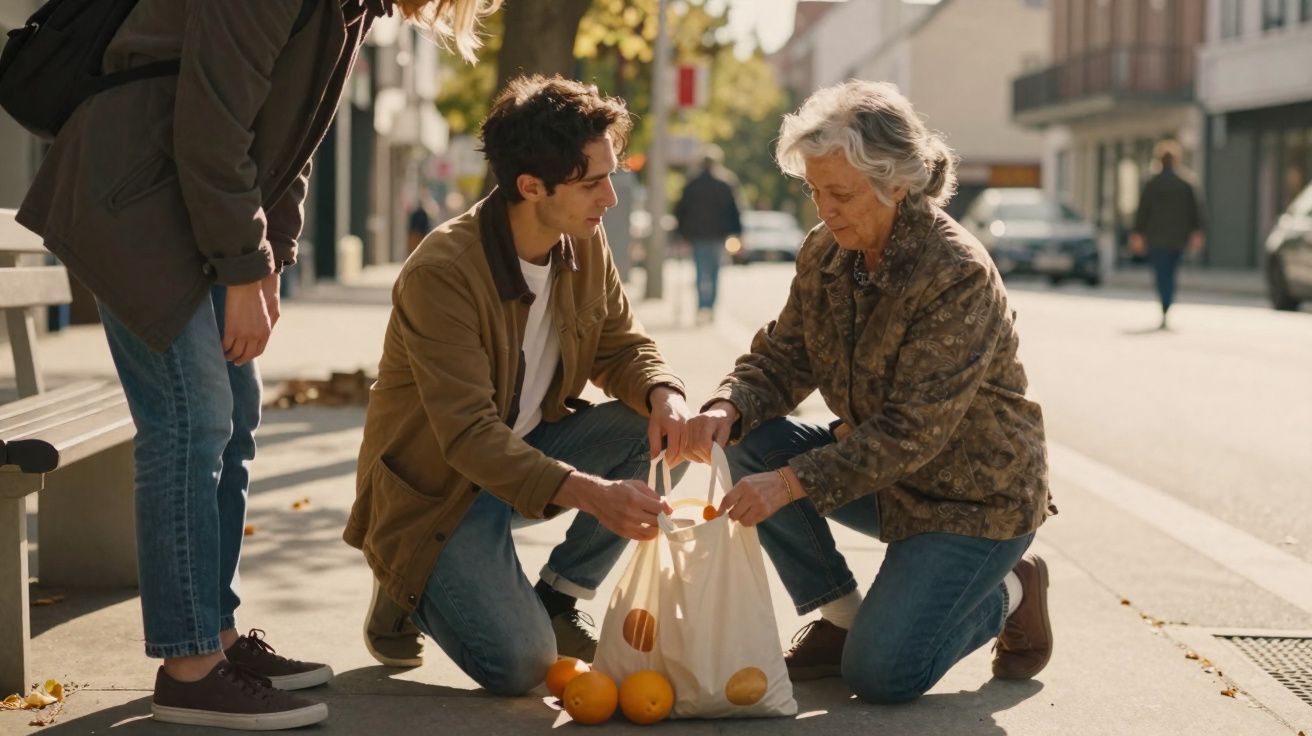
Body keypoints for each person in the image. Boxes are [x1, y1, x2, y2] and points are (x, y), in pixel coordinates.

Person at [14, 0, 497, 729]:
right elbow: (213, 122)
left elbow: (290, 141)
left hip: (185, 195)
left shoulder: (351, 6)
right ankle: (189, 665)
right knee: (191, 418)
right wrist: (244, 268)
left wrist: (271, 264)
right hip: (132, 191)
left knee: (234, 415)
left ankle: (218, 636)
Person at [683, 80, 1056, 704]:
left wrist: (789, 484)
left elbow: (911, 430)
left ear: (897, 184)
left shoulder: (955, 271)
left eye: (841, 193)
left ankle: (1012, 587)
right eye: (814, 191)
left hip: (975, 500)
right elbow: (786, 355)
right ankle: (841, 619)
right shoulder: (827, 250)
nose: (824, 210)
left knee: (882, 676)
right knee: (749, 445)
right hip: (885, 479)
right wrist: (727, 405)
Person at [345, 75, 692, 696]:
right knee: (525, 667)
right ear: (532, 187)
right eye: (593, 183)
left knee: (663, 436)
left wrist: (665, 393)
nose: (610, 198)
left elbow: (620, 345)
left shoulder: (582, 238)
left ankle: (558, 599)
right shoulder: (442, 272)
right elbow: (469, 437)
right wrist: (593, 494)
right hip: (441, 494)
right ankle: (405, 576)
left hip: (529, 454)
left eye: (609, 176)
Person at [1130, 140, 1205, 330]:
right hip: (1178, 238)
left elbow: (1142, 212)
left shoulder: (1151, 183)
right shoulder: (1186, 183)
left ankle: (1165, 303)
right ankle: (1167, 302)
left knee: (1161, 273)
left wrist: (1138, 234)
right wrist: (1197, 232)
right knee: (1171, 272)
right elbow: (1196, 211)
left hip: (1156, 238)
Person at [675, 149, 742, 323]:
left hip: (698, 235)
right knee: (714, 272)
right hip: (717, 235)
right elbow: (733, 210)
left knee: (700, 272)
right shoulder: (725, 182)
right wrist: (737, 232)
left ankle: (701, 306)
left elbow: (681, 210)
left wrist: (681, 234)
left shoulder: (692, 183)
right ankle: (710, 307)